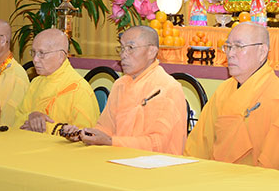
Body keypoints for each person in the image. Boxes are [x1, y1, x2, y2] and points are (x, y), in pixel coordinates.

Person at [185, 23, 279, 169]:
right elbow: (198, 145)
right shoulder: (224, 90)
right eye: (228, 46)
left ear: (262, 52)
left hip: (255, 181)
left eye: (239, 47)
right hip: (214, 175)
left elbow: (273, 165)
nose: (230, 54)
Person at [61, 26, 186, 154]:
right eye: (122, 48)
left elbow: (159, 144)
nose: (123, 55)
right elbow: (105, 128)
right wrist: (85, 135)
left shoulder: (167, 88)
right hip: (118, 156)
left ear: (151, 52)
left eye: (130, 48)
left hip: (156, 163)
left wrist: (111, 141)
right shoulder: (120, 84)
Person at [14, 28, 99, 133]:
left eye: (41, 53)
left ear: (61, 56)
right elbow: (17, 119)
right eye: (33, 52)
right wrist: (31, 116)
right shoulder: (36, 83)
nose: (35, 59)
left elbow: (86, 135)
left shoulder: (79, 89)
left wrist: (44, 127)